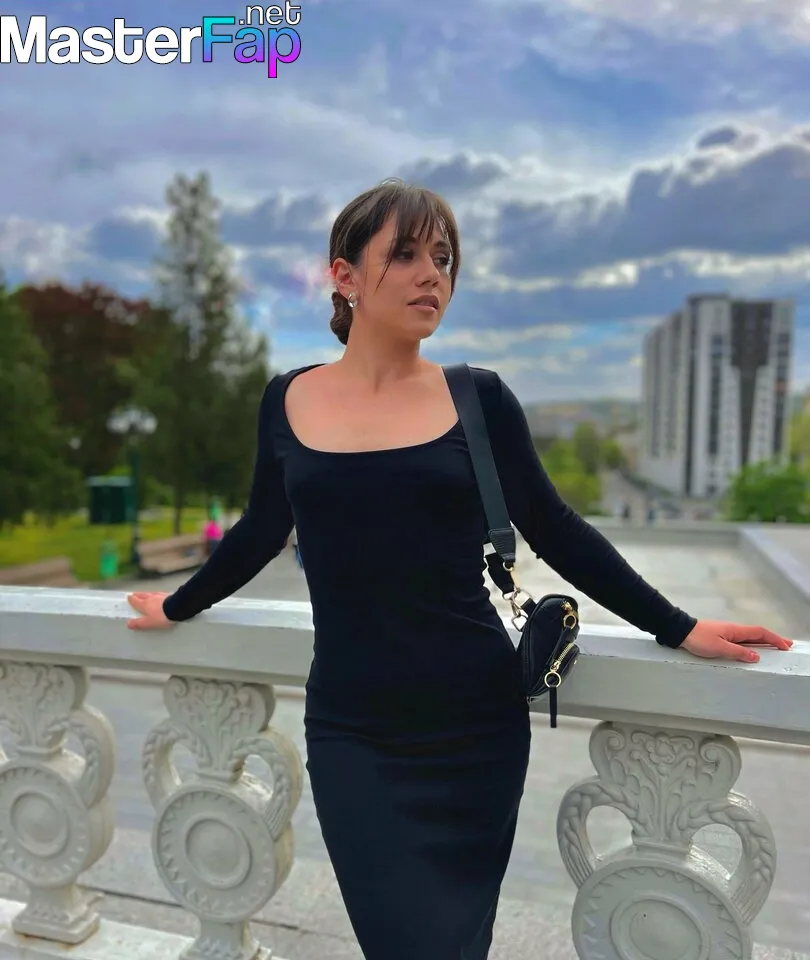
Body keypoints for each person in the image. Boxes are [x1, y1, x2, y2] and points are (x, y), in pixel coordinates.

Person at [126, 179, 792, 959]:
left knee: (453, 942)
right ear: (343, 275)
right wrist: (176, 606)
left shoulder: (479, 400)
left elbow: (556, 529)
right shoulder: (288, 400)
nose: (431, 275)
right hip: (351, 729)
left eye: (443, 259)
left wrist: (679, 626)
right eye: (406, 255)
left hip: (473, 725)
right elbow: (259, 532)